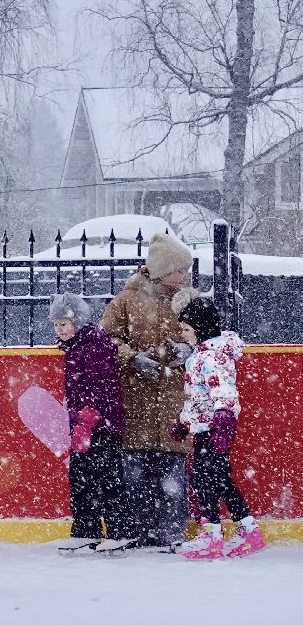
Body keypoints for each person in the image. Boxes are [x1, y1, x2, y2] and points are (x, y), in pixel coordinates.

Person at [100, 232, 195, 551]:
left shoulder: (187, 302)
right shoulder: (126, 300)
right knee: (135, 472)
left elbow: (206, 336)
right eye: (180, 270)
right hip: (136, 401)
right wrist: (132, 358)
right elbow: (105, 342)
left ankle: (172, 532)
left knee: (174, 472)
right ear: (163, 269)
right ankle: (139, 530)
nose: (184, 276)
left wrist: (186, 350)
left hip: (173, 401)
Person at [172, 294, 265, 559]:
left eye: (186, 330)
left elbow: (223, 389)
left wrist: (223, 422)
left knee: (204, 479)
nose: (183, 334)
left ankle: (211, 535)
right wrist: (184, 422)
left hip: (215, 428)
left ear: (199, 329)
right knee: (218, 479)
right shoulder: (201, 355)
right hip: (206, 427)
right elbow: (197, 397)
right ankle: (248, 529)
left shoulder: (210, 357)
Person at [50, 293, 128, 553]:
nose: (59, 329)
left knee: (106, 477)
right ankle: (86, 529)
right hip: (83, 423)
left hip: (101, 424)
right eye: (55, 324)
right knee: (82, 477)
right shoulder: (75, 346)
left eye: (63, 323)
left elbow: (102, 383)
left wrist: (88, 418)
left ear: (78, 321)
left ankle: (120, 530)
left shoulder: (94, 343)